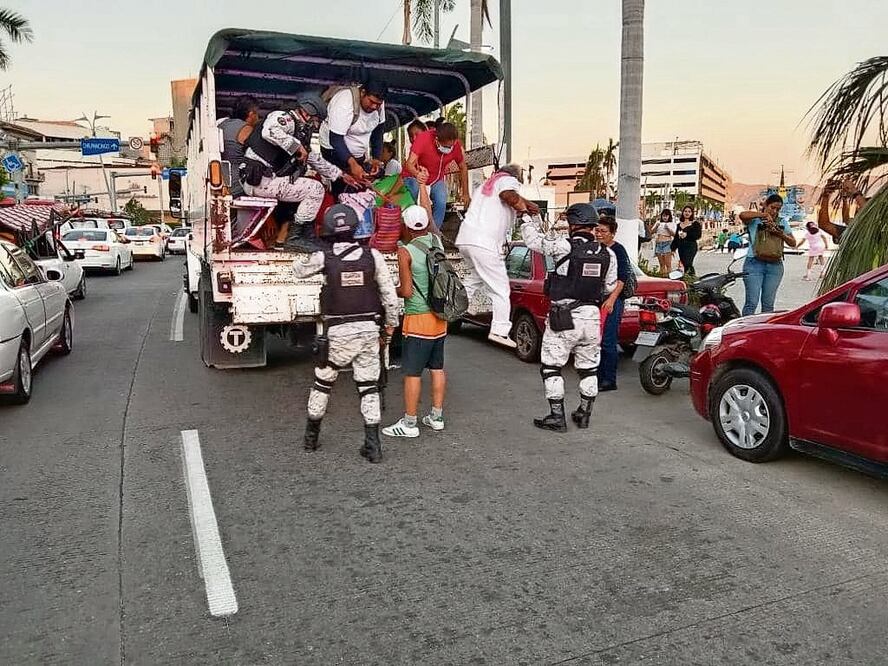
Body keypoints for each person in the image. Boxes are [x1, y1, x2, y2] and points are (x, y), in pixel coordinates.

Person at [294, 204, 399, 463]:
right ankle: (373, 446)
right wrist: (390, 325)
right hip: (368, 330)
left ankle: (311, 438)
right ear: (355, 228)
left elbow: (298, 270)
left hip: (337, 334)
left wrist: (308, 247)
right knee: (369, 388)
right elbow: (390, 297)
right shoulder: (372, 256)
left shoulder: (324, 257)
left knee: (323, 383)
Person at [520, 203, 618, 431]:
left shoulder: (563, 245)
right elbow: (609, 286)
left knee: (552, 367)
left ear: (574, 224)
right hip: (592, 317)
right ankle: (584, 414)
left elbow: (534, 242)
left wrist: (525, 218)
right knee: (589, 368)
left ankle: (557, 417)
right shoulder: (608, 254)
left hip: (564, 315)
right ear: (592, 225)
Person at [241, 95, 357, 251]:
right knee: (315, 189)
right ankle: (297, 237)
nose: (316, 125)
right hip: (259, 180)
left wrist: (340, 174)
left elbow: (313, 158)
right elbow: (269, 131)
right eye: (316, 120)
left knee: (305, 186)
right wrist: (296, 147)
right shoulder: (285, 118)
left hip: (263, 180)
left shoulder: (299, 131)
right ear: (308, 114)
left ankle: (303, 236)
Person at [381, 183, 447, 438]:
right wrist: (422, 187)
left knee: (412, 373)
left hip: (418, 318)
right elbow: (429, 215)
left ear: (407, 226)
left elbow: (406, 291)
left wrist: (390, 288)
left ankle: (409, 424)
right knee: (437, 369)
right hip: (439, 316)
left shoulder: (405, 251)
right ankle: (437, 417)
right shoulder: (436, 242)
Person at [455, 164, 540, 348]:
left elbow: (506, 194)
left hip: (466, 240)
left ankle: (452, 311)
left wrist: (526, 203)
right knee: (501, 289)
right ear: (516, 178)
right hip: (485, 244)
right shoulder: (509, 181)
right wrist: (523, 211)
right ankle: (500, 330)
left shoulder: (487, 185)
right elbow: (508, 195)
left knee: (472, 280)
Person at [319, 78, 388, 185]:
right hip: (334, 151)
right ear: (363, 92)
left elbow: (378, 132)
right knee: (341, 187)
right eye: (371, 102)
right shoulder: (344, 103)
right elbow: (335, 140)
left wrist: (376, 159)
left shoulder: (378, 104)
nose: (374, 106)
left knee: (360, 186)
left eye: (378, 104)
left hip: (358, 155)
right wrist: (353, 165)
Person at [738, 194, 798, 316]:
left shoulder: (782, 222)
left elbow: (793, 243)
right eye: (772, 207)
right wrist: (764, 215)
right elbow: (742, 215)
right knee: (751, 302)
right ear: (765, 205)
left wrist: (780, 233)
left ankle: (763, 331)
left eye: (778, 209)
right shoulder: (754, 220)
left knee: (768, 304)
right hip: (754, 263)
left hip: (775, 265)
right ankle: (744, 330)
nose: (775, 211)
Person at [403, 122, 469, 229]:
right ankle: (410, 228)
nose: (449, 148)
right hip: (414, 175)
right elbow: (409, 164)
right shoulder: (423, 139)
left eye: (451, 146)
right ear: (437, 140)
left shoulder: (455, 145)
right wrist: (417, 174)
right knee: (413, 190)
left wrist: (465, 193)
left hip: (435, 179)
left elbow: (463, 167)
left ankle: (434, 233)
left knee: (441, 199)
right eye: (446, 146)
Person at [593, 216, 630, 392]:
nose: (599, 234)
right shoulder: (594, 249)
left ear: (612, 233)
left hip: (612, 301)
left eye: (603, 231)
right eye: (597, 230)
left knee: (608, 341)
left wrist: (612, 299)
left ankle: (609, 380)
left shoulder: (618, 250)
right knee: (596, 341)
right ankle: (598, 377)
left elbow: (622, 278)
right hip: (595, 300)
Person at [217, 95, 260, 197]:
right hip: (238, 185)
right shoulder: (246, 129)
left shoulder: (222, 124)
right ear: (251, 114)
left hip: (223, 182)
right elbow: (259, 155)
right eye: (257, 113)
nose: (258, 117)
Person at [816, 178, 869, 243]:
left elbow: (824, 224)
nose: (856, 210)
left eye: (859, 208)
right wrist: (844, 199)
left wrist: (826, 195)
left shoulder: (855, 235)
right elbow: (846, 219)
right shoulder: (857, 230)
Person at [673, 205, 702, 276]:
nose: (687, 213)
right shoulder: (678, 225)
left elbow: (698, 235)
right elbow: (676, 238)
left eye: (689, 211)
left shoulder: (695, 224)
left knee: (688, 263)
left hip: (691, 246)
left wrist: (687, 235)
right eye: (685, 211)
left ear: (692, 213)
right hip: (681, 247)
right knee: (684, 264)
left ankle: (692, 278)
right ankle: (687, 279)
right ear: (683, 212)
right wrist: (673, 248)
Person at [652, 208, 676, 274]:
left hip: (667, 243)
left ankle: (669, 278)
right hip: (658, 243)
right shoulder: (658, 223)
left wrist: (668, 228)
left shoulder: (672, 224)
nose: (665, 217)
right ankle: (662, 277)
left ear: (669, 216)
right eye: (663, 216)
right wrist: (656, 226)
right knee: (661, 265)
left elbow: (674, 234)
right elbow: (651, 232)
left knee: (668, 264)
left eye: (667, 216)